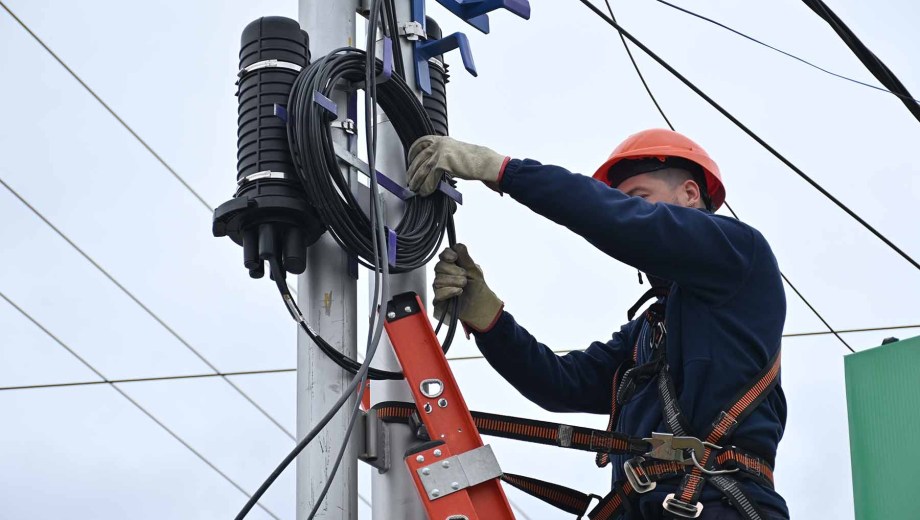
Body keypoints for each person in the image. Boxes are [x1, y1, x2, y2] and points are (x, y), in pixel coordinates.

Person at [407, 129, 789, 519]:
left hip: (722, 505)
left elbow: (626, 224)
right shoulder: (647, 334)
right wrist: (489, 320)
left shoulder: (740, 255)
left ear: (691, 194)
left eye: (638, 198)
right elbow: (559, 383)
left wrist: (502, 172)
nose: (624, 210)